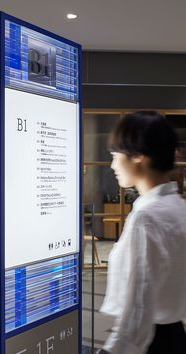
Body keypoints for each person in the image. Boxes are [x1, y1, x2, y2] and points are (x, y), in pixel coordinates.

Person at [97, 111, 186, 354]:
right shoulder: (179, 207)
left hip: (149, 343)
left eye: (116, 155)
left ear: (138, 155)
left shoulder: (147, 217)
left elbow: (139, 305)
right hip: (176, 335)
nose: (114, 165)